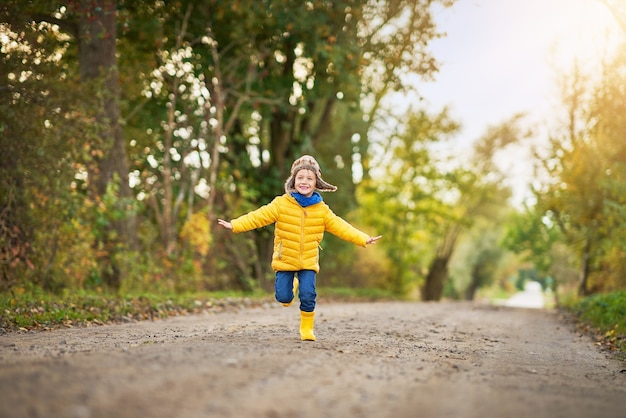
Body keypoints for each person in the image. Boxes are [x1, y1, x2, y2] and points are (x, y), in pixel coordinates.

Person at [217, 155, 382, 341]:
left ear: (316, 183)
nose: (304, 181)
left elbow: (341, 226)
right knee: (283, 297)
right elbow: (259, 216)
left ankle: (307, 328)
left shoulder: (322, 210)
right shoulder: (281, 204)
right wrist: (235, 225)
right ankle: (290, 288)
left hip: (309, 261)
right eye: (300, 177)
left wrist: (363, 238)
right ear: (293, 181)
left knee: (308, 294)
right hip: (285, 258)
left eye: (309, 178)